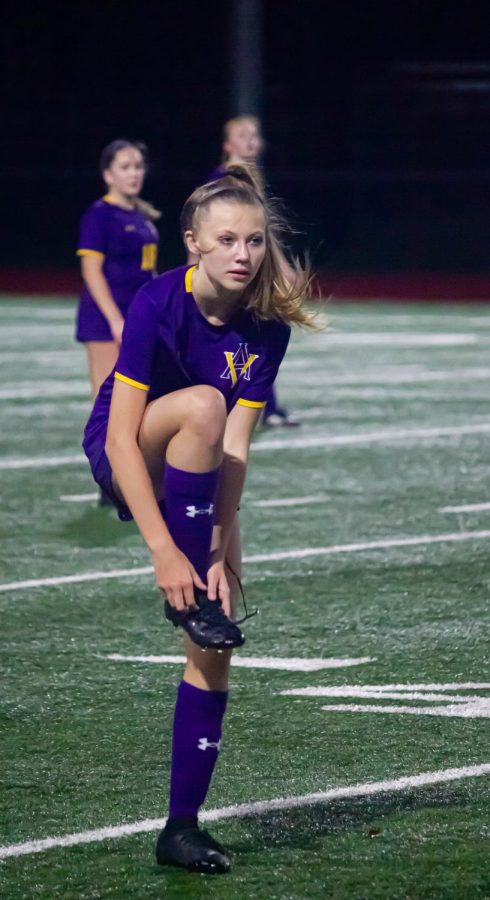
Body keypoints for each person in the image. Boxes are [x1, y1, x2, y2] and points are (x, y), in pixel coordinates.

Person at [82, 165, 313, 874]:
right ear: (193, 245)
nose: (243, 254)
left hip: (199, 466)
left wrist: (218, 547)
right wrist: (165, 552)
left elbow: (234, 452)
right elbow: (121, 440)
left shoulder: (265, 329)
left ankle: (181, 827)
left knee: (216, 644)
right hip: (127, 456)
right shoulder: (159, 301)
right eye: (226, 240)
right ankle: (179, 596)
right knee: (205, 404)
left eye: (253, 240)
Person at [208, 116, 301, 428]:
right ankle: (257, 405)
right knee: (252, 332)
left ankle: (263, 405)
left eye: (254, 135)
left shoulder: (250, 179)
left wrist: (282, 266)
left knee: (259, 332)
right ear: (227, 145)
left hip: (251, 270)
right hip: (234, 271)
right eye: (242, 135)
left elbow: (261, 230)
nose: (250, 141)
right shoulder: (226, 179)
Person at [75, 139, 160, 399]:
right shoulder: (99, 214)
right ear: (108, 175)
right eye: (125, 167)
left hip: (136, 317)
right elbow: (91, 271)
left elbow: (148, 271)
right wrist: (115, 320)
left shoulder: (141, 216)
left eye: (138, 166)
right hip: (105, 320)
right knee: (108, 400)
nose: (134, 173)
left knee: (137, 399)